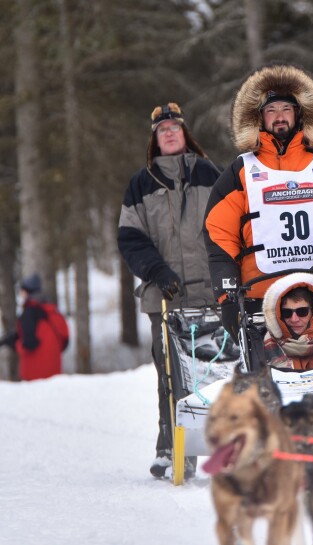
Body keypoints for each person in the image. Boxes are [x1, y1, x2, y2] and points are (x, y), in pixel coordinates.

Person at [203, 63, 313, 340]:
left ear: (300, 114)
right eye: (271, 110)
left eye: (286, 109)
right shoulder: (241, 171)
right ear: (259, 118)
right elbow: (220, 236)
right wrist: (227, 297)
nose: (279, 117)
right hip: (259, 299)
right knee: (265, 383)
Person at [117, 102, 221, 479]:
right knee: (171, 375)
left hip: (211, 294)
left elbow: (232, 226)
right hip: (165, 297)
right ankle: (171, 447)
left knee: (218, 371)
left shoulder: (212, 173)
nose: (170, 133)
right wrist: (157, 271)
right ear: (154, 140)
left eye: (175, 127)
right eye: (162, 130)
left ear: (185, 132)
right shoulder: (140, 184)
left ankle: (227, 444)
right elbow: (130, 238)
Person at [0, 274, 69, 381]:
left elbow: (29, 344)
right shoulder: (51, 310)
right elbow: (65, 342)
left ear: (27, 291)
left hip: (34, 374)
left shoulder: (28, 313)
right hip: (54, 374)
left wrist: (14, 344)